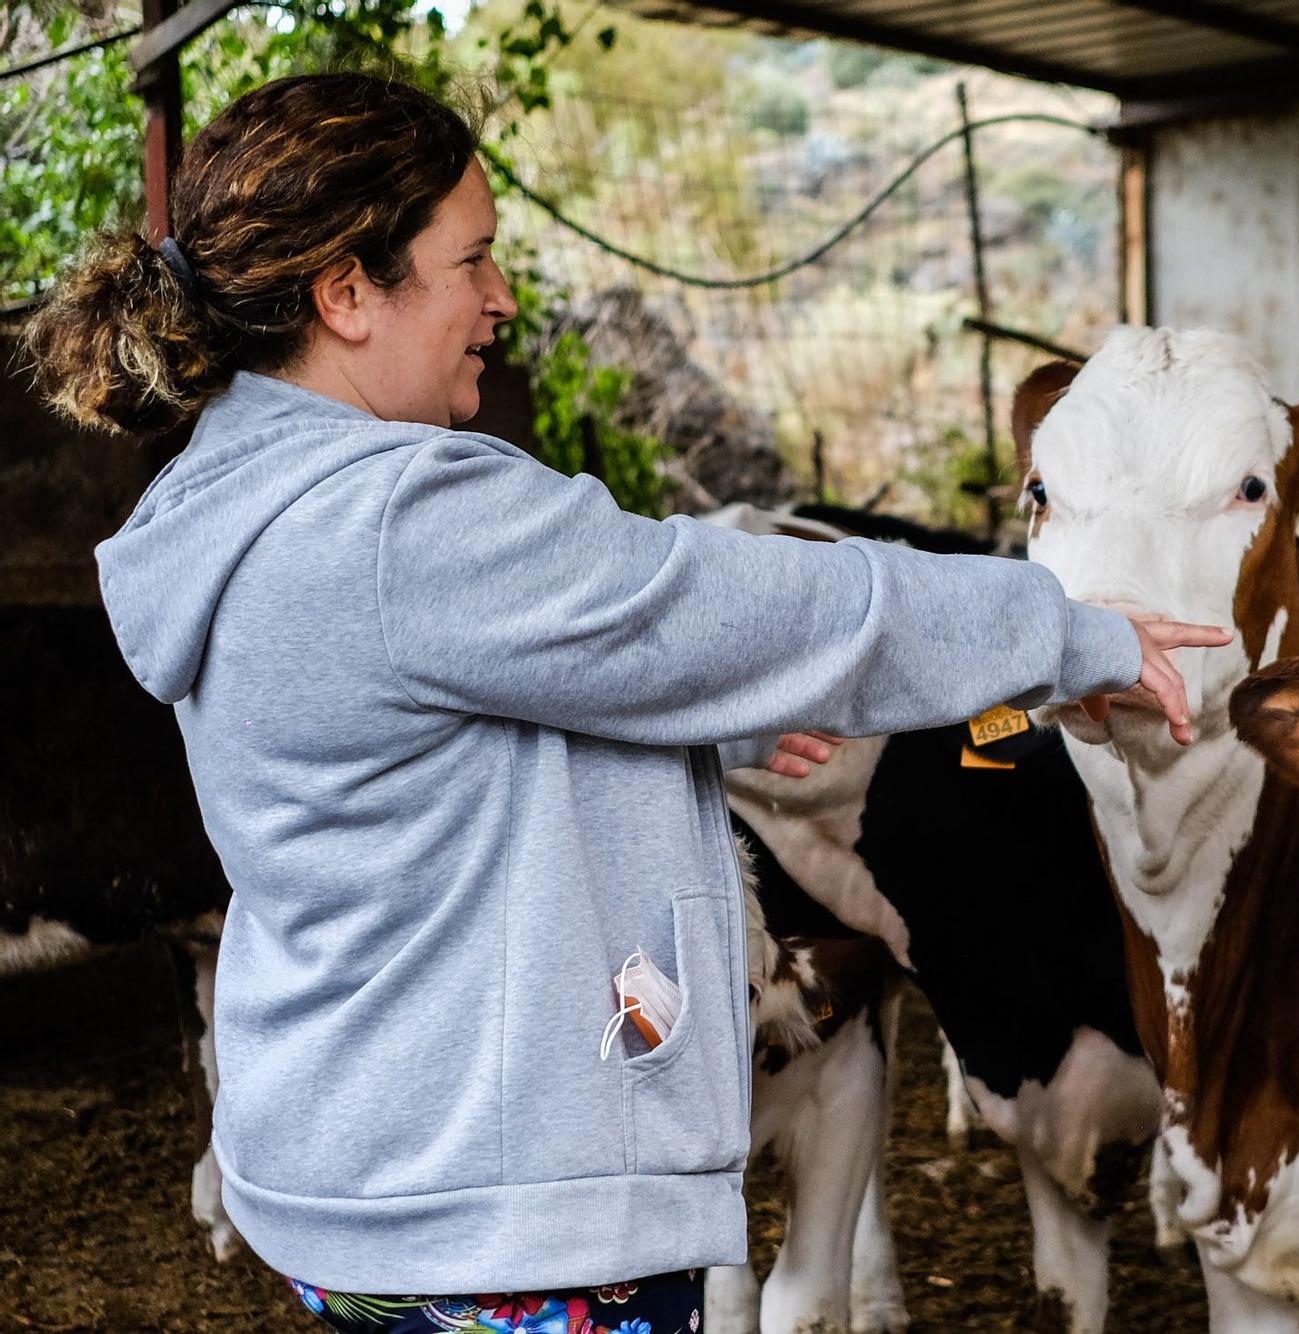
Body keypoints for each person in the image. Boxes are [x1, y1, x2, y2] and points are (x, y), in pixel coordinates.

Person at [27, 71, 1227, 1333]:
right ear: (346, 292)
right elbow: (734, 603)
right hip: (494, 1217)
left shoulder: (245, 502)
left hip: (361, 1164)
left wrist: (718, 719)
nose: (500, 300)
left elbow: (445, 717)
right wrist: (1063, 629)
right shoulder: (401, 521)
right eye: (471, 261)